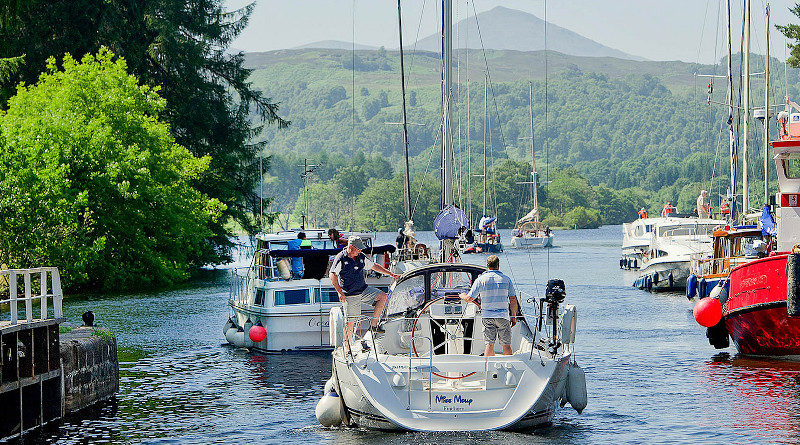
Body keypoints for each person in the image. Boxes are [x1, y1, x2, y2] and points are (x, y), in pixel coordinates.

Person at [330, 236, 399, 343]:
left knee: (383, 297)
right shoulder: (341, 258)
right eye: (358, 248)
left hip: (363, 290)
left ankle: (373, 326)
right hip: (350, 294)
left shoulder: (360, 257)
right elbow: (332, 275)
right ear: (351, 247)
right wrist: (340, 293)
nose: (360, 250)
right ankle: (348, 347)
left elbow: (374, 266)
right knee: (350, 323)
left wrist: (391, 274)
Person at [460, 255, 518, 356]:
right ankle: (509, 368)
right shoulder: (506, 279)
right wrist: (513, 316)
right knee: (506, 345)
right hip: (503, 316)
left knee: (489, 345)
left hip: (487, 316)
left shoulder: (481, 280)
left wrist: (462, 295)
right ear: (498, 265)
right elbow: (513, 299)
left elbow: (469, 299)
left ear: (487, 265)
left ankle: (488, 368)